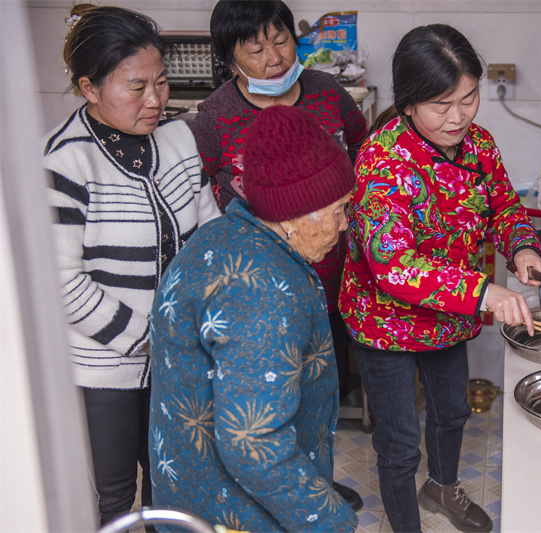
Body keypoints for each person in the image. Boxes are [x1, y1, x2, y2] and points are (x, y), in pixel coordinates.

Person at [339, 24, 541, 533]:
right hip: (383, 320)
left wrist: (521, 246)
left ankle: (442, 488)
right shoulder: (381, 161)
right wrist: (483, 292)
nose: (458, 116)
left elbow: (504, 206)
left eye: (469, 97)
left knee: (452, 412)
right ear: (408, 103)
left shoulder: (477, 144)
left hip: (446, 317)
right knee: (399, 440)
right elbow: (393, 267)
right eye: (441, 104)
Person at [43, 4, 219, 526]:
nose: (154, 101)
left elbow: (208, 237)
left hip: (181, 360)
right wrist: (147, 336)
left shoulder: (179, 139)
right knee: (114, 500)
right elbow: (61, 280)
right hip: (105, 370)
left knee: (177, 485)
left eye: (161, 84)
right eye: (135, 87)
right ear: (89, 87)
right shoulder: (65, 161)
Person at [149, 105, 358, 533]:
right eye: (339, 210)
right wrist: (329, 520)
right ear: (297, 211)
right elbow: (253, 440)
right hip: (236, 515)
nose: (343, 226)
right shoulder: (262, 291)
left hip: (192, 492)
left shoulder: (221, 234)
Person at [191, 0, 366, 509]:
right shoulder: (215, 118)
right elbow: (197, 196)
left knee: (318, 394)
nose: (274, 56)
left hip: (328, 279)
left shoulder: (327, 93)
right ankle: (274, 498)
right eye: (255, 47)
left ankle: (315, 485)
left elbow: (365, 151)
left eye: (281, 39)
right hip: (257, 292)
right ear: (230, 58)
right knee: (266, 403)